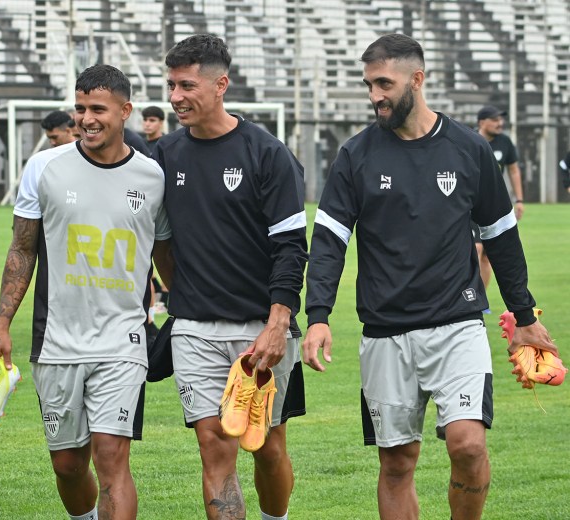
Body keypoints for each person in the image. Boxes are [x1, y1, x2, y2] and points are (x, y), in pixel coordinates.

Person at [303, 34, 559, 520]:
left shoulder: (468, 149)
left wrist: (524, 316)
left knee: (467, 445)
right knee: (397, 462)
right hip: (384, 331)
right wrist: (317, 316)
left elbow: (502, 237)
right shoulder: (355, 155)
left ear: (417, 80)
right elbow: (330, 242)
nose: (375, 94)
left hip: (457, 323)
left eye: (384, 83)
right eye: (369, 84)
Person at [0, 64, 171, 520]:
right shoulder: (45, 168)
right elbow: (22, 250)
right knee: (68, 465)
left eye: (98, 109)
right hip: (56, 340)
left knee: (112, 458)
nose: (86, 118)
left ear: (125, 111)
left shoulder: (152, 177)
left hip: (123, 340)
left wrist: (182, 310)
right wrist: (1, 325)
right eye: (81, 108)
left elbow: (165, 254)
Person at [150, 34, 309, 520]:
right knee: (214, 442)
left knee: (267, 447)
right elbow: (161, 241)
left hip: (260, 326)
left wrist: (278, 320)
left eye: (187, 86)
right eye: (171, 85)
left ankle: (273, 517)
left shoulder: (267, 154)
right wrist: (183, 296)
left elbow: (290, 246)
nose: (176, 97)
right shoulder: (164, 156)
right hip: (194, 327)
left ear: (222, 85)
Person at [474, 105, 525, 288]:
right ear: (482, 122)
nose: (500, 123)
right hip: (471, 204)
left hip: (493, 204)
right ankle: (469, 299)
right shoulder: (470, 140)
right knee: (476, 249)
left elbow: (513, 170)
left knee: (487, 256)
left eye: (500, 120)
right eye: (495, 120)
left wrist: (519, 200)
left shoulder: (505, 142)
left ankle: (482, 302)